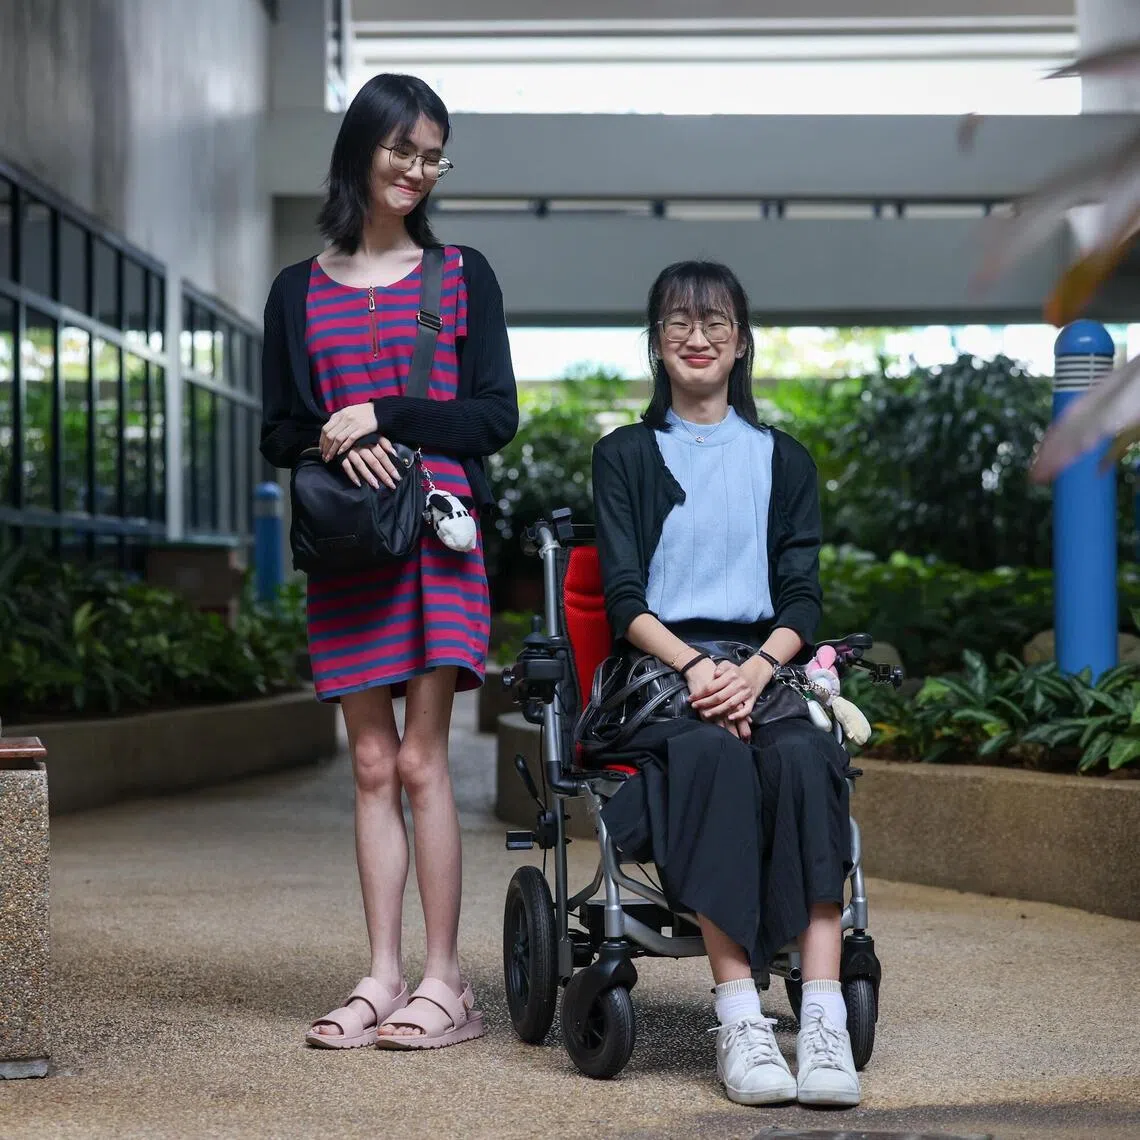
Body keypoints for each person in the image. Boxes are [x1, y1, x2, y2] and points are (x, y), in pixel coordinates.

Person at [259, 73, 517, 1050]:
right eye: (401, 149)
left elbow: (496, 416)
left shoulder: (463, 278)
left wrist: (388, 414)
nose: (416, 170)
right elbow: (277, 430)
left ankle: (446, 985)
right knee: (368, 761)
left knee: (420, 760)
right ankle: (382, 975)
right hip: (348, 543)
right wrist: (330, 436)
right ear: (361, 149)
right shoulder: (297, 290)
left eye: (431, 155)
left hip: (437, 536)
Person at [589, 260, 860, 1106]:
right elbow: (623, 597)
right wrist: (700, 668)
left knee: (808, 761)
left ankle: (821, 1019)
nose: (697, 337)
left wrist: (755, 668)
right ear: (657, 342)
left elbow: (802, 597)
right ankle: (740, 1017)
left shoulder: (785, 459)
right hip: (662, 669)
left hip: (764, 665)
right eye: (678, 321)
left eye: (715, 323)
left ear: (741, 342)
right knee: (711, 759)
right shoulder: (625, 455)